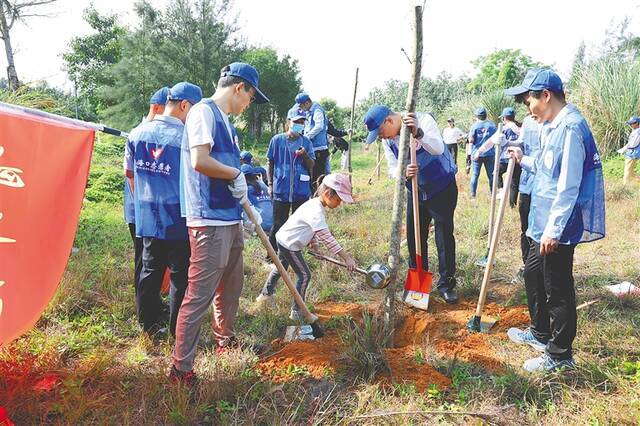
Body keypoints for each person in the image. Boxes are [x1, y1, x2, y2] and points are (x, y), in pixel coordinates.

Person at [171, 62, 269, 386]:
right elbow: (201, 161)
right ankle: (181, 369)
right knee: (199, 295)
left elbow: (228, 166)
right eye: (251, 98)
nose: (249, 104)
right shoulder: (203, 113)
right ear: (239, 88)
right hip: (208, 220)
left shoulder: (227, 122)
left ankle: (225, 341)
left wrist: (247, 197)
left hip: (230, 217)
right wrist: (235, 173)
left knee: (231, 288)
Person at [504, 69, 605, 373]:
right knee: (533, 273)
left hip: (556, 225)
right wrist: (524, 161)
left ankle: (560, 355)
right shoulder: (553, 124)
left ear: (545, 96)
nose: (527, 109)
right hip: (541, 220)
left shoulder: (571, 128)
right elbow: (550, 167)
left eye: (529, 101)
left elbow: (568, 185)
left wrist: (554, 230)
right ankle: (539, 332)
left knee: (557, 287)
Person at [125, 82, 203, 338]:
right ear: (184, 105)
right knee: (180, 276)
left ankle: (146, 326)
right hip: (178, 218)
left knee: (149, 269)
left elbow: (130, 175)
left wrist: (144, 203)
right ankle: (176, 331)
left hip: (148, 216)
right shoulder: (186, 139)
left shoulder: (137, 134)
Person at [363, 105, 459, 304]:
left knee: (443, 236)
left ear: (389, 121)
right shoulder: (388, 142)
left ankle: (447, 284)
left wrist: (418, 132)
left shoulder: (422, 119)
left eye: (380, 133)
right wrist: (402, 172)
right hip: (415, 191)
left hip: (442, 187)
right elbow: (392, 167)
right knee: (415, 237)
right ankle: (419, 286)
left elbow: (438, 148)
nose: (382, 138)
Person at [256, 173, 356, 319]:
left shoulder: (316, 204)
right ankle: (297, 311)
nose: (339, 203)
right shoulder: (316, 210)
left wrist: (316, 248)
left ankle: (264, 296)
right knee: (304, 275)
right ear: (328, 193)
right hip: (290, 245)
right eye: (338, 199)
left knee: (280, 269)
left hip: (283, 239)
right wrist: (346, 258)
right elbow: (327, 237)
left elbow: (312, 231)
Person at [123, 86, 169, 302]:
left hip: (158, 211)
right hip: (140, 210)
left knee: (155, 260)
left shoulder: (162, 135)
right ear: (156, 107)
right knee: (143, 259)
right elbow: (130, 175)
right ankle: (144, 306)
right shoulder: (139, 134)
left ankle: (152, 301)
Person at [266, 106, 315, 253]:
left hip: (301, 191)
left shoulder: (306, 142)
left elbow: (312, 164)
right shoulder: (277, 140)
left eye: (302, 121)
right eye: (297, 121)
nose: (300, 124)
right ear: (288, 122)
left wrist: (305, 155)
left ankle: (292, 252)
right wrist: (269, 184)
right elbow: (270, 162)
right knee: (278, 223)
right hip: (281, 189)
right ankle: (271, 254)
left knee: (298, 224)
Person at [473, 107, 521, 207]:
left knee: (496, 173)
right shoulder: (520, 128)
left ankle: (501, 190)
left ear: (504, 118)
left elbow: (490, 142)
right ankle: (512, 205)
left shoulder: (502, 129)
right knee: (514, 183)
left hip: (504, 159)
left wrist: (479, 151)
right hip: (517, 159)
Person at [296, 93, 329, 189]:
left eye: (301, 106)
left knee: (318, 177)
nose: (301, 108)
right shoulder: (308, 112)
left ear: (307, 103)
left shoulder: (317, 110)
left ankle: (318, 197)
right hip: (312, 147)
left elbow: (319, 126)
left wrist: (307, 137)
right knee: (311, 175)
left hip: (319, 148)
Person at [467, 107, 497, 198]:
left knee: (475, 175)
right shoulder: (492, 125)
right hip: (490, 153)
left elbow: (471, 140)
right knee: (491, 175)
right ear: (485, 115)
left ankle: (472, 195)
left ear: (477, 116)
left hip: (477, 154)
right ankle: (493, 194)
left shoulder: (474, 126)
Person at [242, 163, 273, 233]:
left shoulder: (245, 189)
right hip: (273, 224)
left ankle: (248, 230)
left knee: (242, 206)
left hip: (261, 225)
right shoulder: (263, 186)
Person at [618, 116, 640, 184]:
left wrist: (624, 149)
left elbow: (633, 144)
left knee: (627, 172)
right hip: (631, 153)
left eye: (632, 123)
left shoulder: (637, 132)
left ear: (637, 123)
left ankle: (625, 188)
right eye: (630, 123)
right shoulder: (636, 131)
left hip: (632, 154)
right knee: (631, 172)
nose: (631, 125)